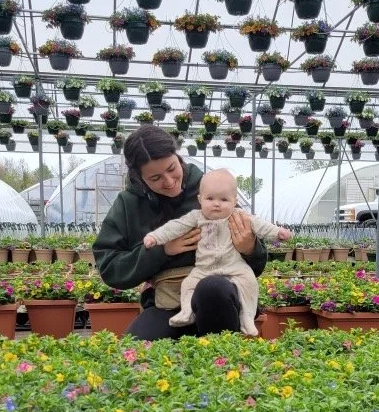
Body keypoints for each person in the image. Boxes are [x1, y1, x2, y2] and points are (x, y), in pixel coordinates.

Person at [92, 125, 269, 339]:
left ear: (178, 156)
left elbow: (256, 264)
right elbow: (110, 267)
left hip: (219, 299)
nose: (168, 182)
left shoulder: (211, 189)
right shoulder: (128, 204)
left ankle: (222, 362)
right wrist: (162, 250)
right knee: (136, 350)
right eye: (155, 178)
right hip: (168, 302)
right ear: (139, 177)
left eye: (171, 168)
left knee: (212, 288)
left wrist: (249, 247)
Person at [143, 168, 291, 335]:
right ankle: (186, 312)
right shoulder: (196, 217)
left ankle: (247, 318)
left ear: (234, 202)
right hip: (204, 269)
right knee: (188, 284)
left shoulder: (239, 216)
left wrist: (278, 233)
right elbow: (174, 227)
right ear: (200, 199)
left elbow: (261, 226)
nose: (216, 203)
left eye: (224, 199)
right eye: (210, 198)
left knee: (249, 283)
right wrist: (155, 237)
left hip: (235, 267)